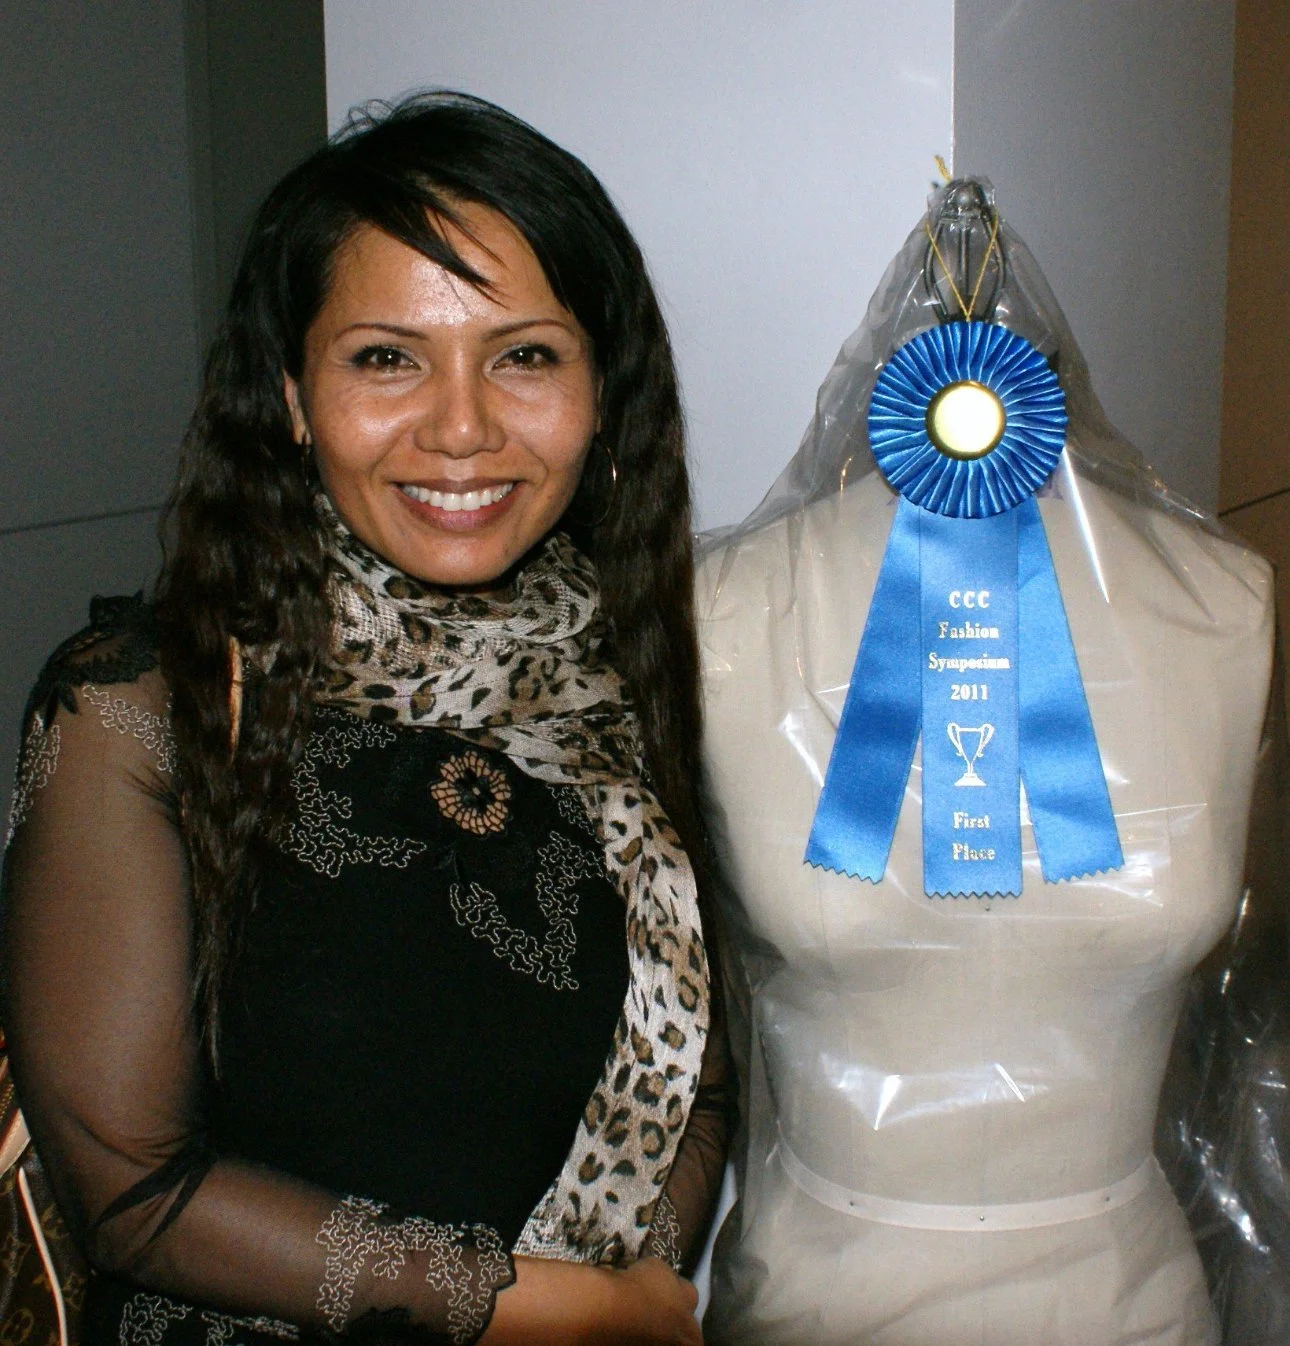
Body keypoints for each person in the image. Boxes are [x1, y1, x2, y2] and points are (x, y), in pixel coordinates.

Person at [0, 92, 728, 1346]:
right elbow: (135, 1188)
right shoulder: (140, 706)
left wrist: (650, 1285)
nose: (461, 427)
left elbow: (704, 1064)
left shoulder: (622, 678)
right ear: (290, 394)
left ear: (602, 389)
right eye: (386, 356)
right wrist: (556, 1312)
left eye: (525, 354)